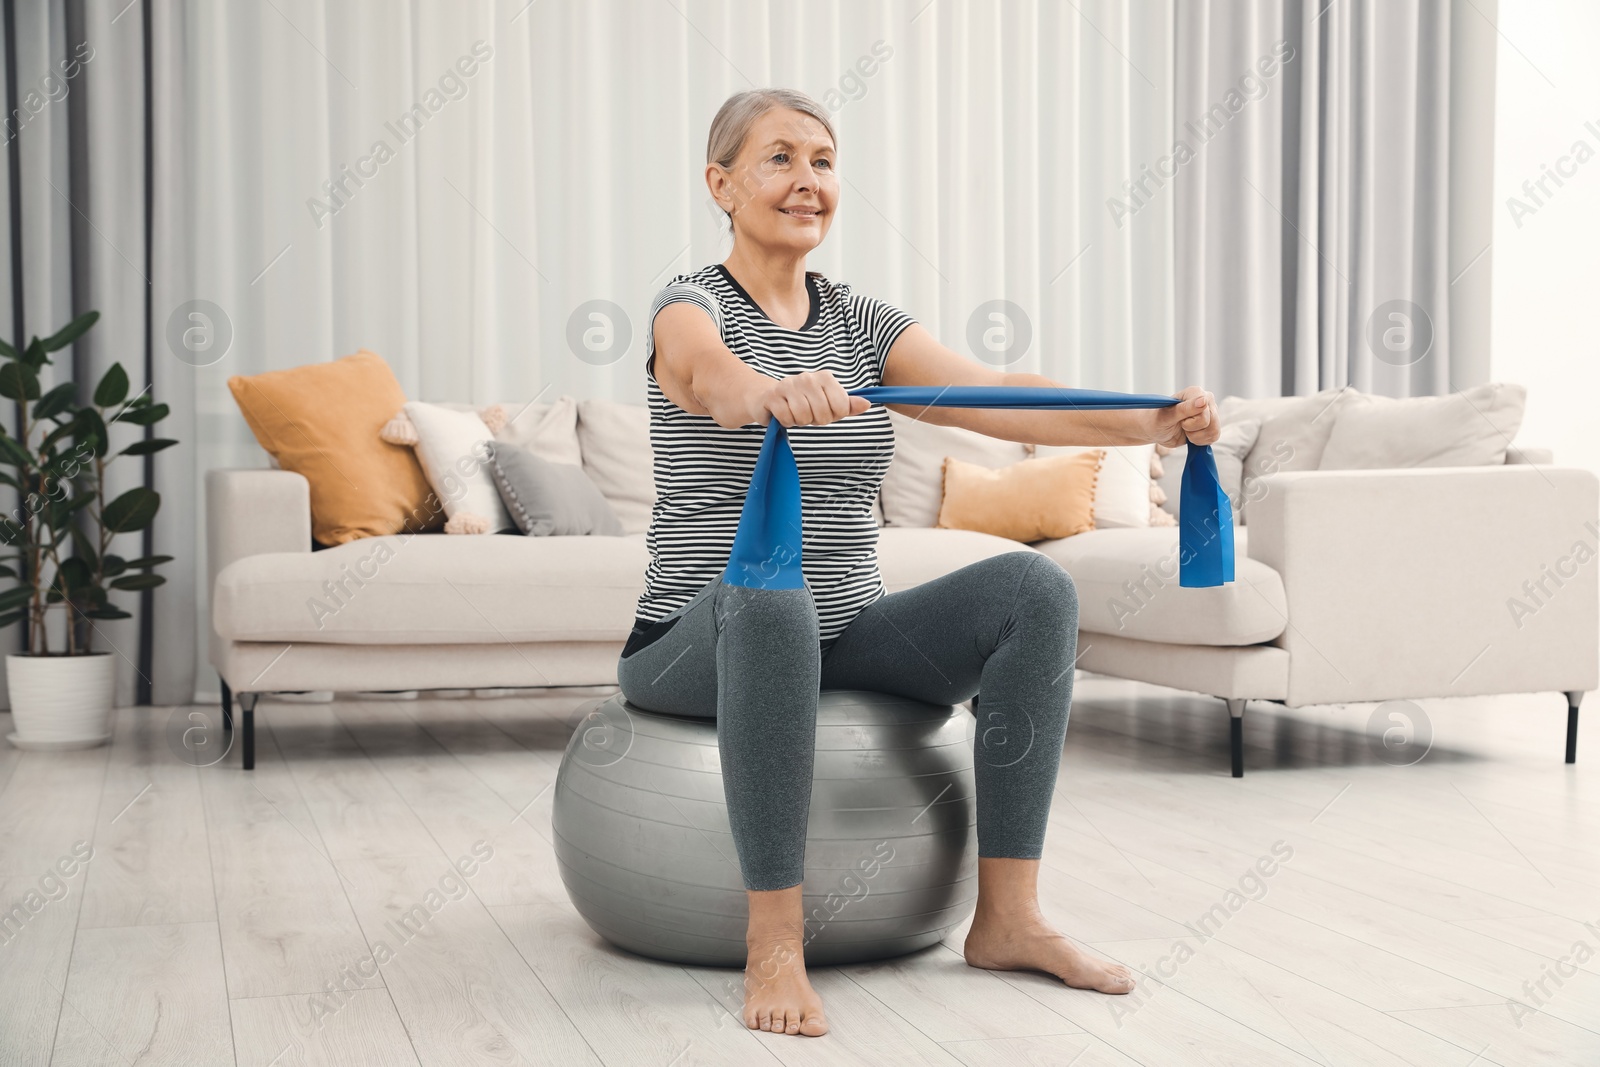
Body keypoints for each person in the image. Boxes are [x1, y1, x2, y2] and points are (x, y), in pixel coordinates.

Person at [616, 88, 1220, 1039]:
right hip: (695, 638)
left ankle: (1009, 917)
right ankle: (775, 941)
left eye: (822, 160)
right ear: (720, 184)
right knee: (774, 600)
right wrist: (768, 390)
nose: (807, 181)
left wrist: (1153, 423)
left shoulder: (858, 322)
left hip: (846, 627)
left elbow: (997, 397)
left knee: (1033, 588)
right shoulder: (689, 304)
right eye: (779, 159)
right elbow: (705, 376)